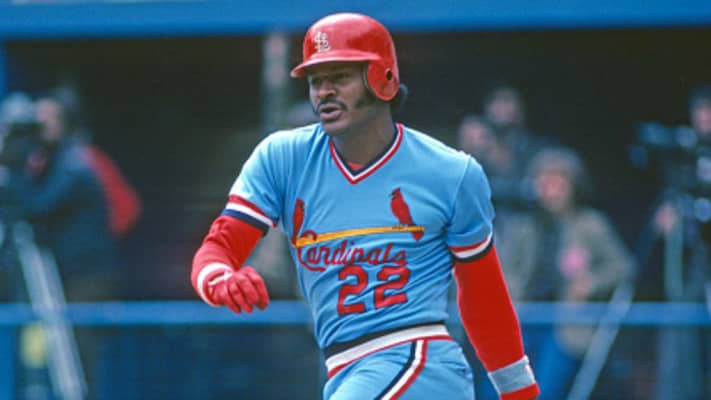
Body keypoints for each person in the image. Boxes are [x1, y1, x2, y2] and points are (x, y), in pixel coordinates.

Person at [191, 13, 539, 400]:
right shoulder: (282, 158)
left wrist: (519, 392)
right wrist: (217, 278)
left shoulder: (451, 172)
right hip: (345, 369)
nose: (324, 91)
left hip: (420, 362)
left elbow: (483, 296)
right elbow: (219, 247)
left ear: (382, 78)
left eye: (339, 77)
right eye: (315, 80)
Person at [499, 146, 633, 399]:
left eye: (557, 181)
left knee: (545, 389)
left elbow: (623, 267)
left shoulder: (591, 225)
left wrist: (590, 283)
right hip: (522, 319)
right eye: (544, 181)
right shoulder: (522, 227)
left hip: (566, 324)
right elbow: (501, 270)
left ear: (573, 185)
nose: (550, 189)